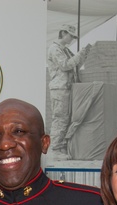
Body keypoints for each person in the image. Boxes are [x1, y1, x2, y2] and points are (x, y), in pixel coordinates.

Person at [47, 24, 90, 156]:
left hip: (67, 87)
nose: (72, 39)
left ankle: (60, 147)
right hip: (60, 88)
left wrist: (83, 55)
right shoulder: (55, 49)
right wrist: (79, 55)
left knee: (66, 118)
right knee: (60, 118)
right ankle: (55, 148)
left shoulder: (65, 50)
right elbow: (65, 65)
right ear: (63, 33)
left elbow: (75, 65)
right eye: (71, 36)